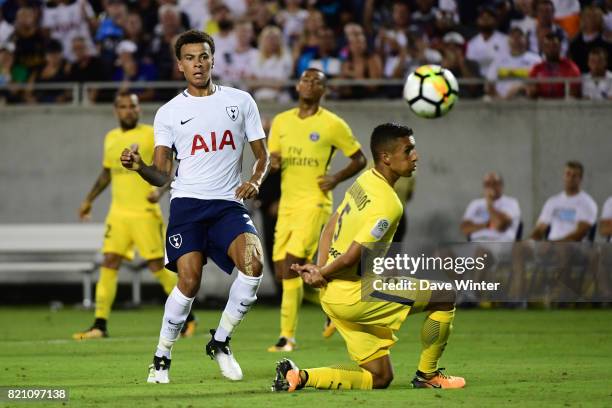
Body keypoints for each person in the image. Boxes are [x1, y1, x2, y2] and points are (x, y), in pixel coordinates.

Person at [120, 30, 269, 384]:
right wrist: (140, 166)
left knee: (254, 265)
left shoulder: (241, 101)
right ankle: (161, 357)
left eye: (203, 56)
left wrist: (256, 181)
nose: (197, 63)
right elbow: (161, 175)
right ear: (179, 66)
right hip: (187, 205)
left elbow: (264, 156)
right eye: (189, 58)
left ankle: (220, 341)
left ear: (213, 59)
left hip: (228, 204)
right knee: (189, 282)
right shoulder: (169, 113)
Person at [272, 123, 465, 392]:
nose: (415, 156)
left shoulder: (365, 179)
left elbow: (332, 223)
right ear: (386, 157)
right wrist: (323, 271)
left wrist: (321, 268)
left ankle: (300, 376)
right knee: (445, 295)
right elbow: (353, 257)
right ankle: (428, 375)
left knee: (380, 377)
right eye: (408, 150)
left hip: (332, 295)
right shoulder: (389, 204)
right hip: (356, 294)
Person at [73, 91, 196, 340]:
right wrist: (88, 200)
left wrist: (160, 192)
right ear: (116, 111)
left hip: (145, 213)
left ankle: (188, 318)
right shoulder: (111, 138)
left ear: (139, 110)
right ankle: (100, 324)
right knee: (109, 262)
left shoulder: (152, 133)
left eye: (133, 106)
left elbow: (171, 167)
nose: (129, 110)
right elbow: (107, 173)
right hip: (118, 215)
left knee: (155, 266)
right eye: (124, 107)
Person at [266, 68, 366, 352]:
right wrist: (272, 164)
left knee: (292, 263)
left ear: (324, 91)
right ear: (297, 86)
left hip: (314, 203)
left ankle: (287, 337)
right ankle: (333, 306)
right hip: (288, 205)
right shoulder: (282, 122)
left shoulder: (333, 124)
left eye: (317, 82)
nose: (310, 84)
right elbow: (274, 158)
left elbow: (359, 159)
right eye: (306, 79)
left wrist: (335, 178)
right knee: (283, 273)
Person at [529, 161, 597, 242]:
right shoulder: (552, 202)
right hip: (552, 246)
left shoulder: (587, 203)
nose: (570, 178)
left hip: (574, 248)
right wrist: (529, 242)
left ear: (580, 179)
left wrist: (555, 246)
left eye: (574, 176)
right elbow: (540, 229)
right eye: (568, 174)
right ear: (563, 176)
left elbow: (579, 234)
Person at [461, 172, 521, 242]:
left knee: (482, 252)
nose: (491, 187)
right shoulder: (475, 204)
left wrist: (489, 204)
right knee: (447, 252)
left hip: (501, 243)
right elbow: (465, 228)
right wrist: (487, 225)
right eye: (487, 184)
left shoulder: (512, 203)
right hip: (477, 242)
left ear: (501, 185)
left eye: (494, 184)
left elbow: (500, 226)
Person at [528, 31, 581, 98]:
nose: (551, 49)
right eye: (547, 46)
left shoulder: (571, 67)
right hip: (541, 106)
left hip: (564, 106)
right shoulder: (536, 68)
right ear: (543, 48)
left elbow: (574, 93)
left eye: (554, 45)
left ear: (560, 47)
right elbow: (531, 93)